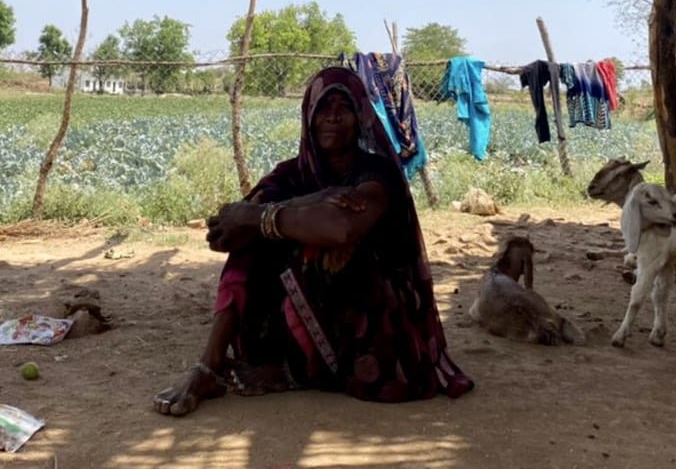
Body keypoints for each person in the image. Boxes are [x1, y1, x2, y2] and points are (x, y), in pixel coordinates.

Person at [153, 66, 473, 417]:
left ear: (361, 115)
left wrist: (263, 217)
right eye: (323, 107)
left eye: (344, 107)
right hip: (325, 316)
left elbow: (339, 229)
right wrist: (303, 203)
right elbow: (225, 233)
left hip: (380, 322)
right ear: (308, 115)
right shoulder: (293, 173)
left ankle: (300, 370)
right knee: (256, 244)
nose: (332, 117)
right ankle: (209, 366)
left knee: (321, 249)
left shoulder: (378, 175)